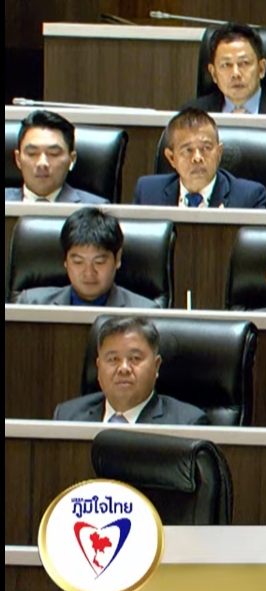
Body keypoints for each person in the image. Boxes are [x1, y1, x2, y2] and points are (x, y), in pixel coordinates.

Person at [53, 316, 208, 424]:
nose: (123, 369)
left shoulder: (186, 423)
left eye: (134, 358)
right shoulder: (68, 417)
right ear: (99, 368)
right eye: (113, 359)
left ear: (156, 366)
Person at [14, 207, 157, 308]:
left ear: (117, 259)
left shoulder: (143, 312)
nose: (88, 273)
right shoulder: (31, 304)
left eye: (99, 262)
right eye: (78, 262)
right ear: (65, 260)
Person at [132, 109, 266, 208]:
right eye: (187, 150)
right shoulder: (148, 193)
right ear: (171, 158)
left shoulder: (249, 198)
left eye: (206, 148)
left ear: (219, 153)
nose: (197, 158)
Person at [180, 22, 266, 115]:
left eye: (244, 63)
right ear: (213, 74)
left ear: (261, 69)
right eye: (226, 65)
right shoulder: (193, 114)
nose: (235, 73)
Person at [6, 110, 107, 204]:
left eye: (53, 153)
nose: (42, 163)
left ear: (72, 159)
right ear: (18, 159)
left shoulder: (95, 207)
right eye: (32, 153)